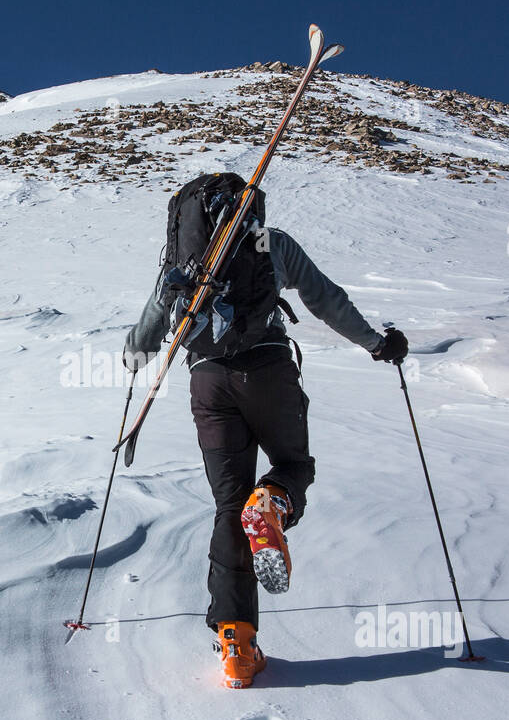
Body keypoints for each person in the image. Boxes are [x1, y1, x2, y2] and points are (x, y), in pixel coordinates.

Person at [123, 208, 407, 689]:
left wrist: (134, 355)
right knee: (292, 464)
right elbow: (325, 299)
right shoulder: (270, 242)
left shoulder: (184, 259)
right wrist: (378, 344)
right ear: (247, 207)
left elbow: (148, 330)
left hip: (207, 381)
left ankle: (237, 645)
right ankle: (273, 501)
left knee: (228, 506)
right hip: (269, 372)